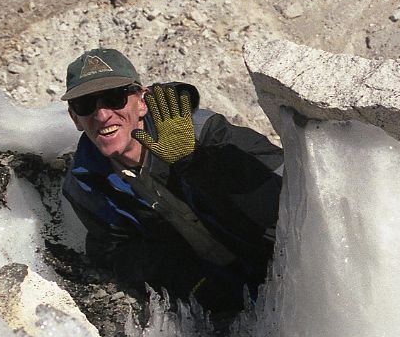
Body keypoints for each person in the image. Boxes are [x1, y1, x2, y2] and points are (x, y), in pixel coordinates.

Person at [60, 48, 283, 314]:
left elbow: (286, 196)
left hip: (287, 263)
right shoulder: (86, 183)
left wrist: (197, 164)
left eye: (114, 98)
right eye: (85, 104)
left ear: (141, 102)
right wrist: (189, 282)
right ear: (75, 118)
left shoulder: (204, 131)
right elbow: (116, 251)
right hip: (222, 297)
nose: (102, 115)